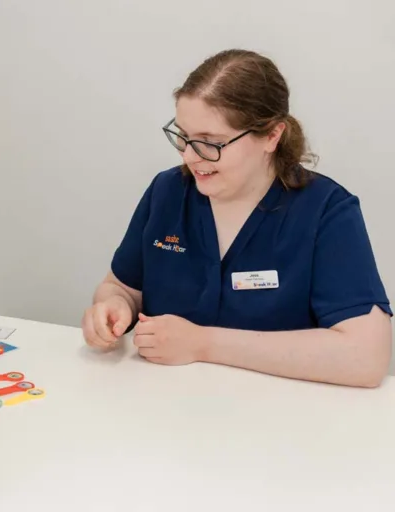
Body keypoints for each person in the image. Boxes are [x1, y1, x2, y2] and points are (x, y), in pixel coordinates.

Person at [82, 49, 392, 388]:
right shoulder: (168, 191)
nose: (190, 156)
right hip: (162, 407)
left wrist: (203, 344)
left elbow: (366, 357)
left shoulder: (326, 211)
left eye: (211, 142)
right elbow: (121, 286)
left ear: (272, 136)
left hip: (281, 419)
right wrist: (113, 307)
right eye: (183, 136)